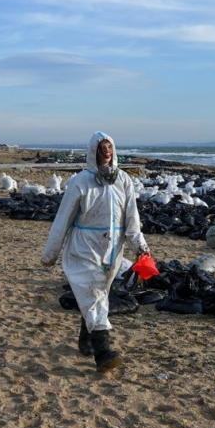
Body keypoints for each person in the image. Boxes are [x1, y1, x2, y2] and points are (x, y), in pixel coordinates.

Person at [41, 131, 149, 373]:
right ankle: (103, 353)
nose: (107, 152)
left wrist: (141, 247)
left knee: (97, 295)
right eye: (102, 148)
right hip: (84, 249)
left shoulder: (123, 181)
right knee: (94, 294)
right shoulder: (80, 182)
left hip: (112, 251)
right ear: (93, 152)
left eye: (109, 147)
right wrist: (50, 254)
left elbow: (132, 219)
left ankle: (85, 341)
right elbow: (62, 220)